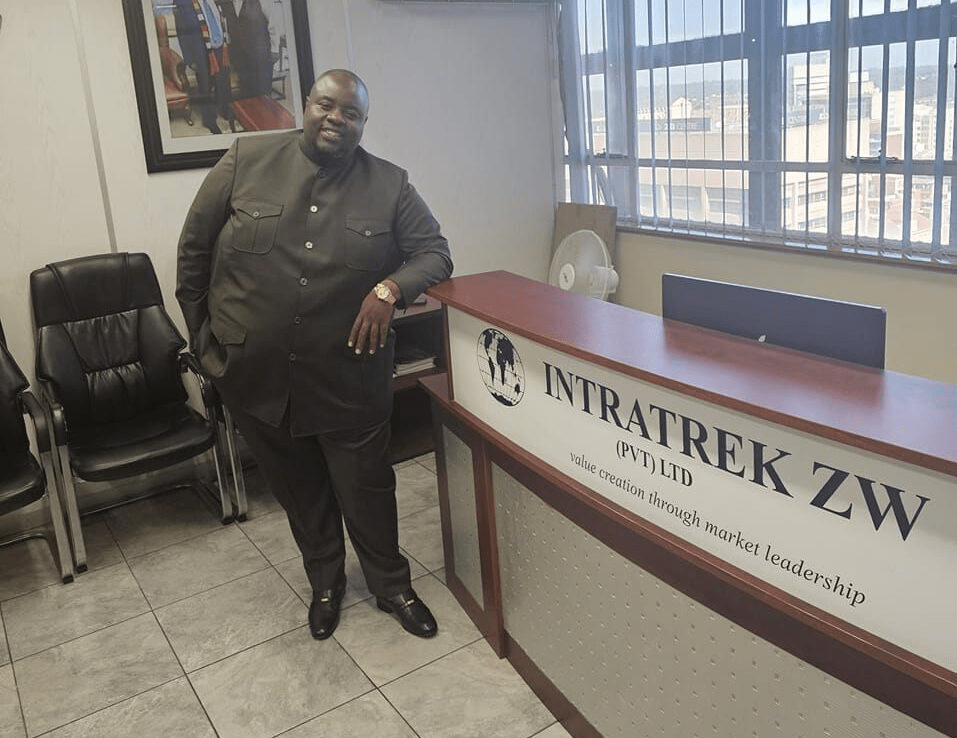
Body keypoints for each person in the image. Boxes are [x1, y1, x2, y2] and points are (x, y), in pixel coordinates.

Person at [176, 69, 453, 640]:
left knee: (367, 489)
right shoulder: (245, 161)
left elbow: (435, 253)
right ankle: (325, 584)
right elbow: (193, 253)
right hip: (257, 379)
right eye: (327, 105)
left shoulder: (390, 185)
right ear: (306, 105)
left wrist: (389, 289)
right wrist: (205, 345)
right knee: (300, 493)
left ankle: (391, 585)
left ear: (363, 123)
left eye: (351, 113)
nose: (336, 118)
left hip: (348, 377)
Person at [172, 0, 236, 134]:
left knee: (223, 81)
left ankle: (225, 110)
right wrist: (190, 59)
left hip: (220, 46)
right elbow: (181, 31)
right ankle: (209, 120)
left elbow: (221, 18)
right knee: (204, 86)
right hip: (200, 52)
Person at [221, 0, 281, 98]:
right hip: (241, 57)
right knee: (246, 92)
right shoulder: (228, 3)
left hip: (260, 56)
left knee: (263, 92)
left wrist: (275, 49)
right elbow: (229, 27)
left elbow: (273, 25)